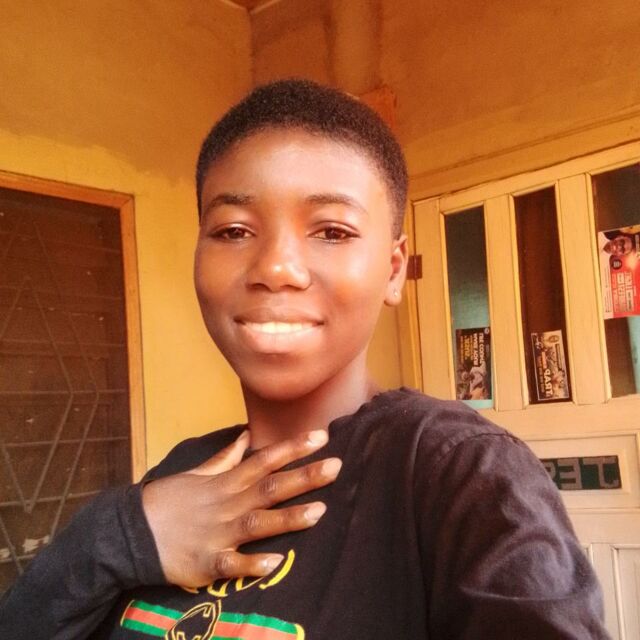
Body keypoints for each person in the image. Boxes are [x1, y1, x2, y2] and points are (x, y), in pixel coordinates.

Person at [0, 79, 609, 639]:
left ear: (393, 269)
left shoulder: (457, 474)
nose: (275, 268)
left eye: (332, 231)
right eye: (233, 231)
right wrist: (123, 531)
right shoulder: (180, 475)